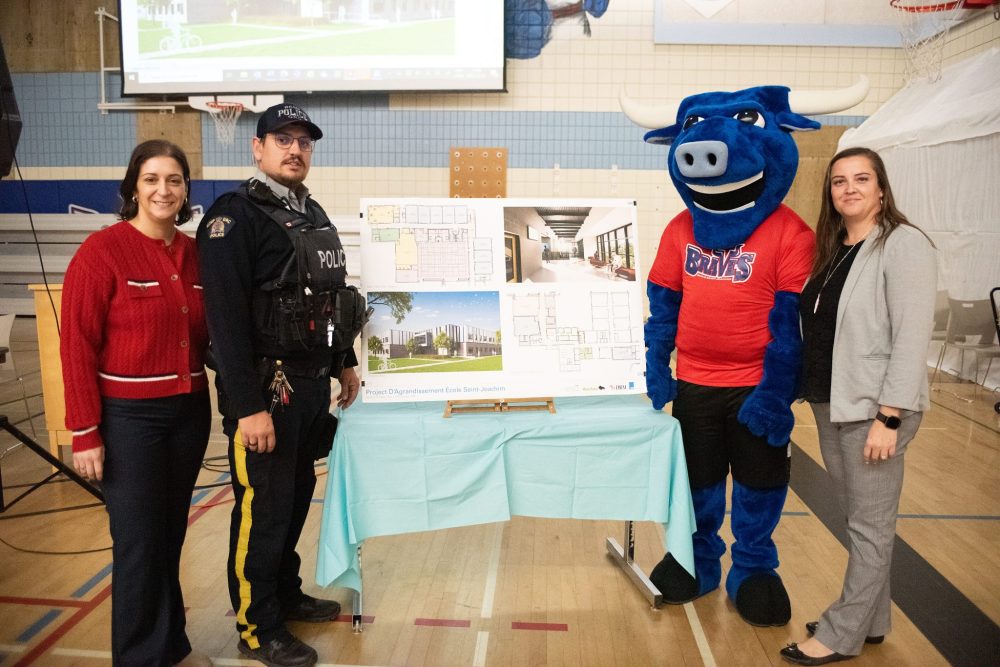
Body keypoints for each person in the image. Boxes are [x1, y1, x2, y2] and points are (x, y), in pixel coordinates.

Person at [197, 103, 364, 667]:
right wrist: (247, 408)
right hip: (267, 394)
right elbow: (223, 320)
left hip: (312, 387)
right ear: (258, 148)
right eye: (283, 140)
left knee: (292, 504)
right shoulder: (233, 217)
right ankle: (256, 624)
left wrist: (344, 359)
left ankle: (284, 594)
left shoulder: (310, 213)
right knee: (262, 509)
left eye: (305, 142)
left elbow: (328, 296)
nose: (296, 150)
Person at [780, 147, 936, 665]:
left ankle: (840, 633)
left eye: (861, 179)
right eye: (839, 181)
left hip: (875, 410)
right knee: (859, 520)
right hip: (833, 402)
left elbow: (912, 337)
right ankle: (873, 618)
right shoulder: (837, 247)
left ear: (882, 189)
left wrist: (890, 416)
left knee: (870, 527)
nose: (849, 188)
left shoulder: (902, 245)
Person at [61, 140, 211, 666]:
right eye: (151, 179)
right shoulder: (101, 252)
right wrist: (85, 431)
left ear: (186, 189)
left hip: (188, 414)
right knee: (139, 544)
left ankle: (170, 646)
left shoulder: (195, 254)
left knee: (168, 537)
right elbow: (75, 345)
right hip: (128, 421)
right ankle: (139, 658)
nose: (163, 190)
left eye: (173, 180)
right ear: (133, 187)